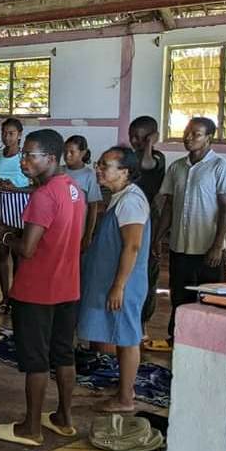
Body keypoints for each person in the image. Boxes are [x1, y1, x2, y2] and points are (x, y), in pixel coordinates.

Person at [0, 129, 85, 446]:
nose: (24, 161)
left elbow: (28, 249)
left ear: (51, 158)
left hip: (37, 291)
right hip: (68, 286)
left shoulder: (43, 195)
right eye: (24, 155)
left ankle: (30, 428)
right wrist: (16, 231)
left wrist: (4, 235)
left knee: (36, 361)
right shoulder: (73, 188)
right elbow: (55, 234)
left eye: (31, 155)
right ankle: (64, 418)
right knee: (64, 354)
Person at [78, 147, 150, 413]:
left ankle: (125, 399)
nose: (98, 169)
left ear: (124, 172)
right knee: (120, 335)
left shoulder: (131, 201)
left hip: (125, 283)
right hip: (117, 280)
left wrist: (119, 286)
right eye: (98, 164)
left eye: (105, 166)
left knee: (128, 338)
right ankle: (124, 388)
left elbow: (132, 246)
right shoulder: (120, 197)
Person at [156, 117, 226, 348]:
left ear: (208, 138)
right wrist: (157, 238)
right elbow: (169, 207)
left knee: (211, 300)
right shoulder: (176, 167)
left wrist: (217, 245)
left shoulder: (221, 167)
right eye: (187, 132)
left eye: (196, 134)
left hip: (207, 248)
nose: (188, 137)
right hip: (179, 247)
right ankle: (179, 341)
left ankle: (211, 344)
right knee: (180, 297)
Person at [0, 118, 34, 316]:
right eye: (4, 133)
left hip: (20, 207)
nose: (7, 137)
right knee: (2, 254)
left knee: (17, 254)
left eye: (11, 133)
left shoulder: (25, 157)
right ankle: (5, 298)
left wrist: (16, 188)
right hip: (0, 205)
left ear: (20, 135)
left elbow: (36, 187)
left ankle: (17, 297)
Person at [127, 116, 169, 351]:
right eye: (132, 135)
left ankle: (143, 324)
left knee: (146, 272)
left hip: (148, 217)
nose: (135, 140)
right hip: (129, 214)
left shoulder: (157, 157)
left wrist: (150, 144)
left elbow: (145, 165)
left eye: (141, 137)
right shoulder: (129, 156)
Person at [63, 135, 103, 252]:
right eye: (65, 152)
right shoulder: (59, 171)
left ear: (82, 153)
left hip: (77, 229)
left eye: (72, 152)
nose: (67, 155)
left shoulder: (89, 176)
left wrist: (88, 235)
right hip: (59, 226)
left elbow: (93, 208)